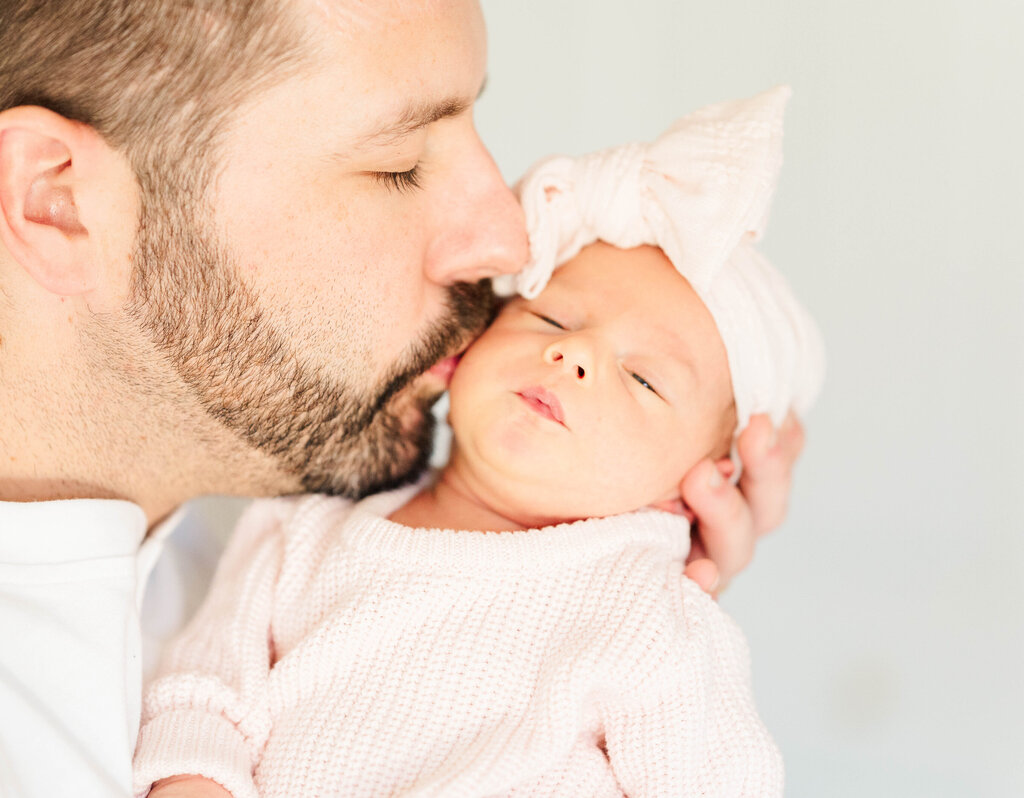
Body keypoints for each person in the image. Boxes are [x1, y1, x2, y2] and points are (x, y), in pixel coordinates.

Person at [0, 1, 805, 795]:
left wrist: (588, 570)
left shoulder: (231, 489)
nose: (509, 243)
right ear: (58, 198)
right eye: (398, 165)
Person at [133, 87, 822, 798]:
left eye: (644, 380)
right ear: (465, 351)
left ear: (701, 482)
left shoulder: (652, 616)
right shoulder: (294, 533)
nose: (577, 354)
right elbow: (201, 697)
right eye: (551, 320)